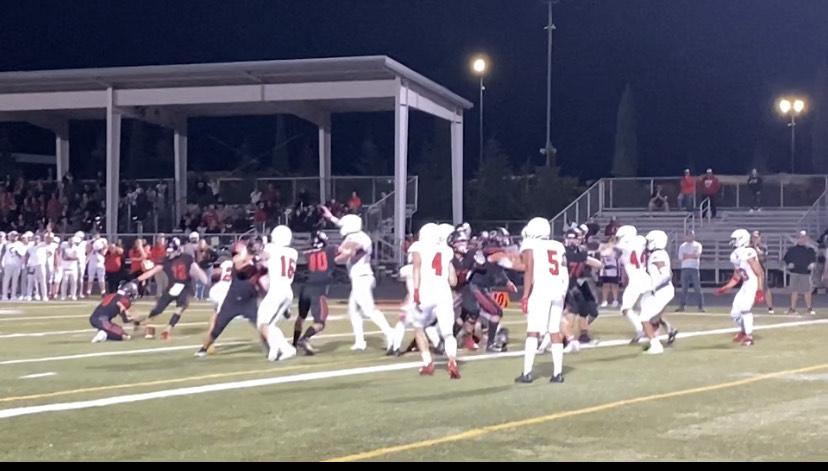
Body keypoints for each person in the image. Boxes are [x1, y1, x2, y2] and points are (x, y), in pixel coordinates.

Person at [515, 217, 569, 384]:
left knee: (533, 331)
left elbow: (529, 271)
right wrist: (564, 293)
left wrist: (525, 295)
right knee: (554, 330)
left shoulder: (532, 246)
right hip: (558, 290)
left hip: (541, 290)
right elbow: (565, 270)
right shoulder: (558, 246)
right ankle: (558, 374)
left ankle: (527, 372)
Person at [411, 223, 459, 378]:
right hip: (443, 292)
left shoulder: (420, 247)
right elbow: (453, 281)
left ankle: (427, 363)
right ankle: (452, 360)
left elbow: (416, 268)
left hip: (426, 291)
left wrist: (416, 290)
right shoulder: (447, 251)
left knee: (419, 328)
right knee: (448, 333)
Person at [293, 231, 339, 355]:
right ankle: (305, 339)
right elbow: (340, 253)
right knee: (320, 323)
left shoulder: (308, 253)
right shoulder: (330, 250)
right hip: (318, 291)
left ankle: (294, 344)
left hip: (305, 288)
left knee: (301, 318)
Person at [716, 229, 765, 346]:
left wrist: (759, 290)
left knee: (745, 309)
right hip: (745, 285)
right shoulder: (735, 255)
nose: (733, 242)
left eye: (735, 239)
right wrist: (726, 287)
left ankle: (749, 336)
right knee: (735, 312)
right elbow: (737, 275)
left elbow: (760, 273)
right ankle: (743, 331)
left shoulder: (749, 252)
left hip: (753, 284)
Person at [258, 226, 299, 361]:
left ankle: (283, 348)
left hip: (276, 291)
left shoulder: (271, 248)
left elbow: (262, 260)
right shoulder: (293, 252)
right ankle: (279, 348)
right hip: (288, 291)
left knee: (263, 323)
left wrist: (263, 245)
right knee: (270, 325)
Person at [637, 231, 677, 354]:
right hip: (662, 290)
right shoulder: (659, 254)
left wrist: (654, 286)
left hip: (662, 291)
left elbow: (666, 274)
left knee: (644, 318)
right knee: (653, 318)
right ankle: (656, 339)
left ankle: (656, 345)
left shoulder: (657, 255)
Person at [783, 230, 816, 315]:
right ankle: (792, 308)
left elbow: (813, 260)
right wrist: (789, 264)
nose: (803, 239)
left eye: (804, 237)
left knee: (807, 291)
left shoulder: (810, 250)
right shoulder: (792, 249)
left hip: (805, 273)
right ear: (797, 239)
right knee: (794, 290)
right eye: (801, 237)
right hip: (794, 272)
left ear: (807, 239)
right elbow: (786, 258)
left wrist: (812, 265)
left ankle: (809, 308)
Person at [676, 231, 704, 312]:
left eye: (691, 235)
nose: (689, 237)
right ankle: (682, 306)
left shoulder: (698, 245)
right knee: (684, 288)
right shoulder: (682, 246)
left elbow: (696, 256)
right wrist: (691, 255)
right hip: (685, 268)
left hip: (694, 268)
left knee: (697, 288)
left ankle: (700, 306)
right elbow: (681, 257)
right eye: (688, 235)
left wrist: (687, 256)